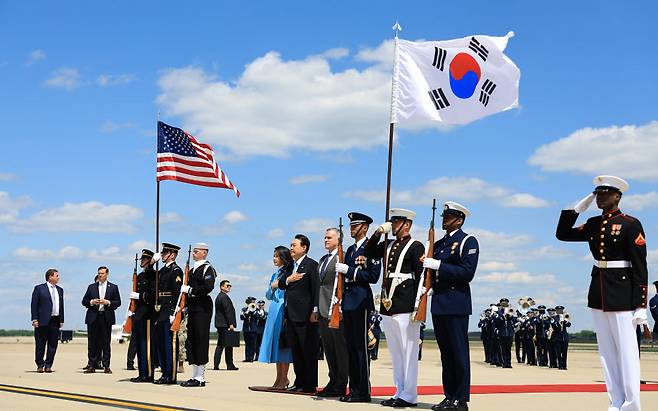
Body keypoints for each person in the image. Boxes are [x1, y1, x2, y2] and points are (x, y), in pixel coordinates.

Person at [556, 175, 648, 411]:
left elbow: (640, 267)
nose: (600, 197)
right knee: (607, 355)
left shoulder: (630, 223)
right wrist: (577, 208)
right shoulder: (594, 224)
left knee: (627, 355)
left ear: (617, 196)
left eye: (605, 193)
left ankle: (631, 405)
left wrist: (641, 305)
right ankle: (615, 403)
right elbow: (563, 234)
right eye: (597, 194)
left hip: (623, 294)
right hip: (599, 292)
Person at [365, 208, 424, 408]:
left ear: (406, 225)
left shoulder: (415, 246)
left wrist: (418, 307)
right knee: (396, 353)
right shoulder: (388, 244)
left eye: (396, 222)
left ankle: (410, 395)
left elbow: (421, 278)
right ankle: (399, 390)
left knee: (408, 352)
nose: (392, 225)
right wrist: (377, 233)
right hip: (388, 304)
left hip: (406, 304)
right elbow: (368, 251)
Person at [423, 201, 479, 411]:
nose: (444, 221)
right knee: (446, 354)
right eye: (444, 217)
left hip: (456, 303)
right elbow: (431, 273)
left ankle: (460, 399)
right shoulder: (438, 245)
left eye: (449, 217)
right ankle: (449, 396)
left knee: (458, 353)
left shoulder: (468, 241)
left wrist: (439, 265)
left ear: (460, 219)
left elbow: (467, 273)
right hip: (439, 303)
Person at [334, 212, 381, 403]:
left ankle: (363, 391)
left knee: (361, 348)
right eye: (351, 226)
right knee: (351, 348)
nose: (352, 229)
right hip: (349, 300)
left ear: (365, 228)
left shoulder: (371, 249)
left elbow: (373, 276)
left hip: (361, 300)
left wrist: (349, 271)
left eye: (356, 226)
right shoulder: (351, 249)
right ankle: (353, 389)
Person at [278, 234, 320, 394]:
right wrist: (290, 279)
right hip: (291, 315)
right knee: (296, 351)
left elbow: (316, 289)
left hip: (306, 315)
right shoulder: (290, 267)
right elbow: (281, 284)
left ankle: (309, 384)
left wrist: (315, 310)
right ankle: (299, 381)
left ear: (304, 248)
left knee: (307, 351)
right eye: (291, 245)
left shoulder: (311, 265)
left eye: (294, 245)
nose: (291, 248)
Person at [316, 227, 349, 398]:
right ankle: (333, 379)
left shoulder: (341, 258)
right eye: (324, 237)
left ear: (338, 239)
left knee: (339, 348)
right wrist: (316, 308)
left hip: (336, 309)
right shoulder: (323, 259)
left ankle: (341, 383)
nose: (325, 240)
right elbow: (319, 285)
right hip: (322, 309)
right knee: (328, 348)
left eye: (329, 237)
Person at [180, 242, 217, 387]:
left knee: (201, 340)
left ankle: (200, 377)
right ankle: (194, 375)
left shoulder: (207, 268)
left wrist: (190, 290)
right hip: (193, 306)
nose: (193, 254)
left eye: (196, 251)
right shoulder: (193, 269)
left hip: (203, 306)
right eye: (193, 251)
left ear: (204, 253)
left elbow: (208, 287)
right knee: (192, 340)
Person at [258, 246, 294, 389]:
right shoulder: (275, 274)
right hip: (273, 310)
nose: (274, 259)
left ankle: (284, 378)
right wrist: (273, 286)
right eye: (274, 256)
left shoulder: (289, 272)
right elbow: (268, 295)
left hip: (283, 310)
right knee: (276, 347)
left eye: (277, 256)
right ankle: (279, 378)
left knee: (284, 346)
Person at [152, 242, 183, 384]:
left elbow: (177, 294)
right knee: (161, 343)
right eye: (162, 253)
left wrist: (173, 312)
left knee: (169, 344)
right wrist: (152, 262)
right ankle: (164, 372)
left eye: (165, 253)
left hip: (169, 309)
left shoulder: (176, 271)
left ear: (173, 254)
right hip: (160, 309)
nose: (162, 255)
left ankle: (170, 375)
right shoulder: (163, 270)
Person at [82, 266, 121, 374]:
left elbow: (118, 302)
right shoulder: (91, 287)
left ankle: (106, 366)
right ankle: (92, 365)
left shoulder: (113, 287)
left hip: (106, 317)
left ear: (107, 274)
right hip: (93, 317)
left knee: (105, 343)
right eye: (99, 273)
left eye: (102, 273)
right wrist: (92, 302)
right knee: (93, 343)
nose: (100, 275)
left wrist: (107, 302)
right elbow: (84, 301)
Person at [129, 249, 158, 383]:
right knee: (140, 345)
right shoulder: (140, 277)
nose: (142, 261)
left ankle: (148, 373)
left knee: (147, 344)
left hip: (148, 314)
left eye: (144, 259)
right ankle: (142, 372)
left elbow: (153, 295)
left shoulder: (153, 275)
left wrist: (140, 296)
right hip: (139, 314)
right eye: (141, 259)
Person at [31, 268, 64, 373]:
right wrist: (35, 318)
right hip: (42, 321)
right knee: (40, 344)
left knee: (53, 345)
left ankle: (48, 365)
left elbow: (61, 306)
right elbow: (34, 305)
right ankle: (40, 365)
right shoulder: (39, 288)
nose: (58, 278)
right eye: (57, 275)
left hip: (55, 320)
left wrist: (61, 319)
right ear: (50, 277)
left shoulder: (60, 290)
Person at [213, 280, 238, 370]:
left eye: (230, 285)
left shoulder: (221, 296)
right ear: (222, 287)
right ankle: (229, 364)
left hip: (221, 324)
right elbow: (227, 311)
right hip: (225, 325)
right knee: (227, 345)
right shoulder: (223, 297)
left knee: (221, 345)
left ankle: (218, 364)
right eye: (227, 285)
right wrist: (230, 324)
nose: (229, 287)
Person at [241, 296, 260, 362]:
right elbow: (241, 317)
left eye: (253, 302)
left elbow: (258, 316)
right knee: (247, 344)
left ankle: (251, 357)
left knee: (253, 344)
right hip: (246, 329)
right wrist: (247, 311)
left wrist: (254, 311)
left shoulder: (257, 310)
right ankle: (247, 357)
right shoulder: (244, 309)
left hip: (253, 329)